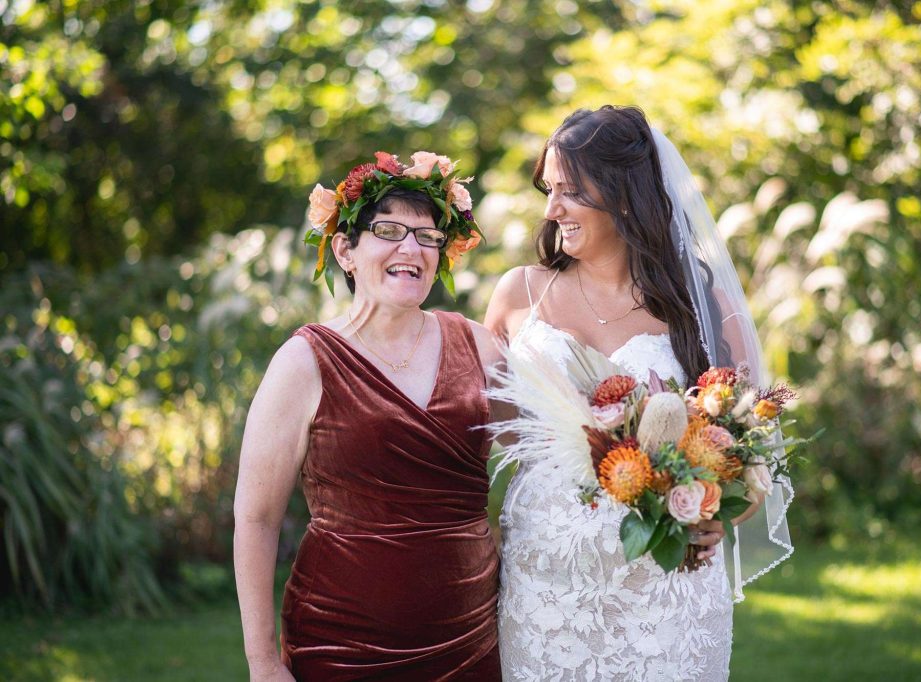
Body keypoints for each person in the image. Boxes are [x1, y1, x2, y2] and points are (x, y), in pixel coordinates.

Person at [485, 105, 794, 680]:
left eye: (570, 191)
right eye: (549, 190)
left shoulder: (701, 308)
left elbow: (754, 462)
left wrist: (714, 516)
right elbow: (483, 437)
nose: (552, 210)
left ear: (623, 195)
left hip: (665, 583)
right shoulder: (518, 294)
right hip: (544, 583)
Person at [234, 150, 503, 681]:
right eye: (388, 231)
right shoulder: (304, 362)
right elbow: (256, 518)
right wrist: (262, 662)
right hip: (342, 647)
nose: (411, 248)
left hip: (469, 644)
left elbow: (547, 463)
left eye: (427, 236)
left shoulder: (479, 346)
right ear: (345, 251)